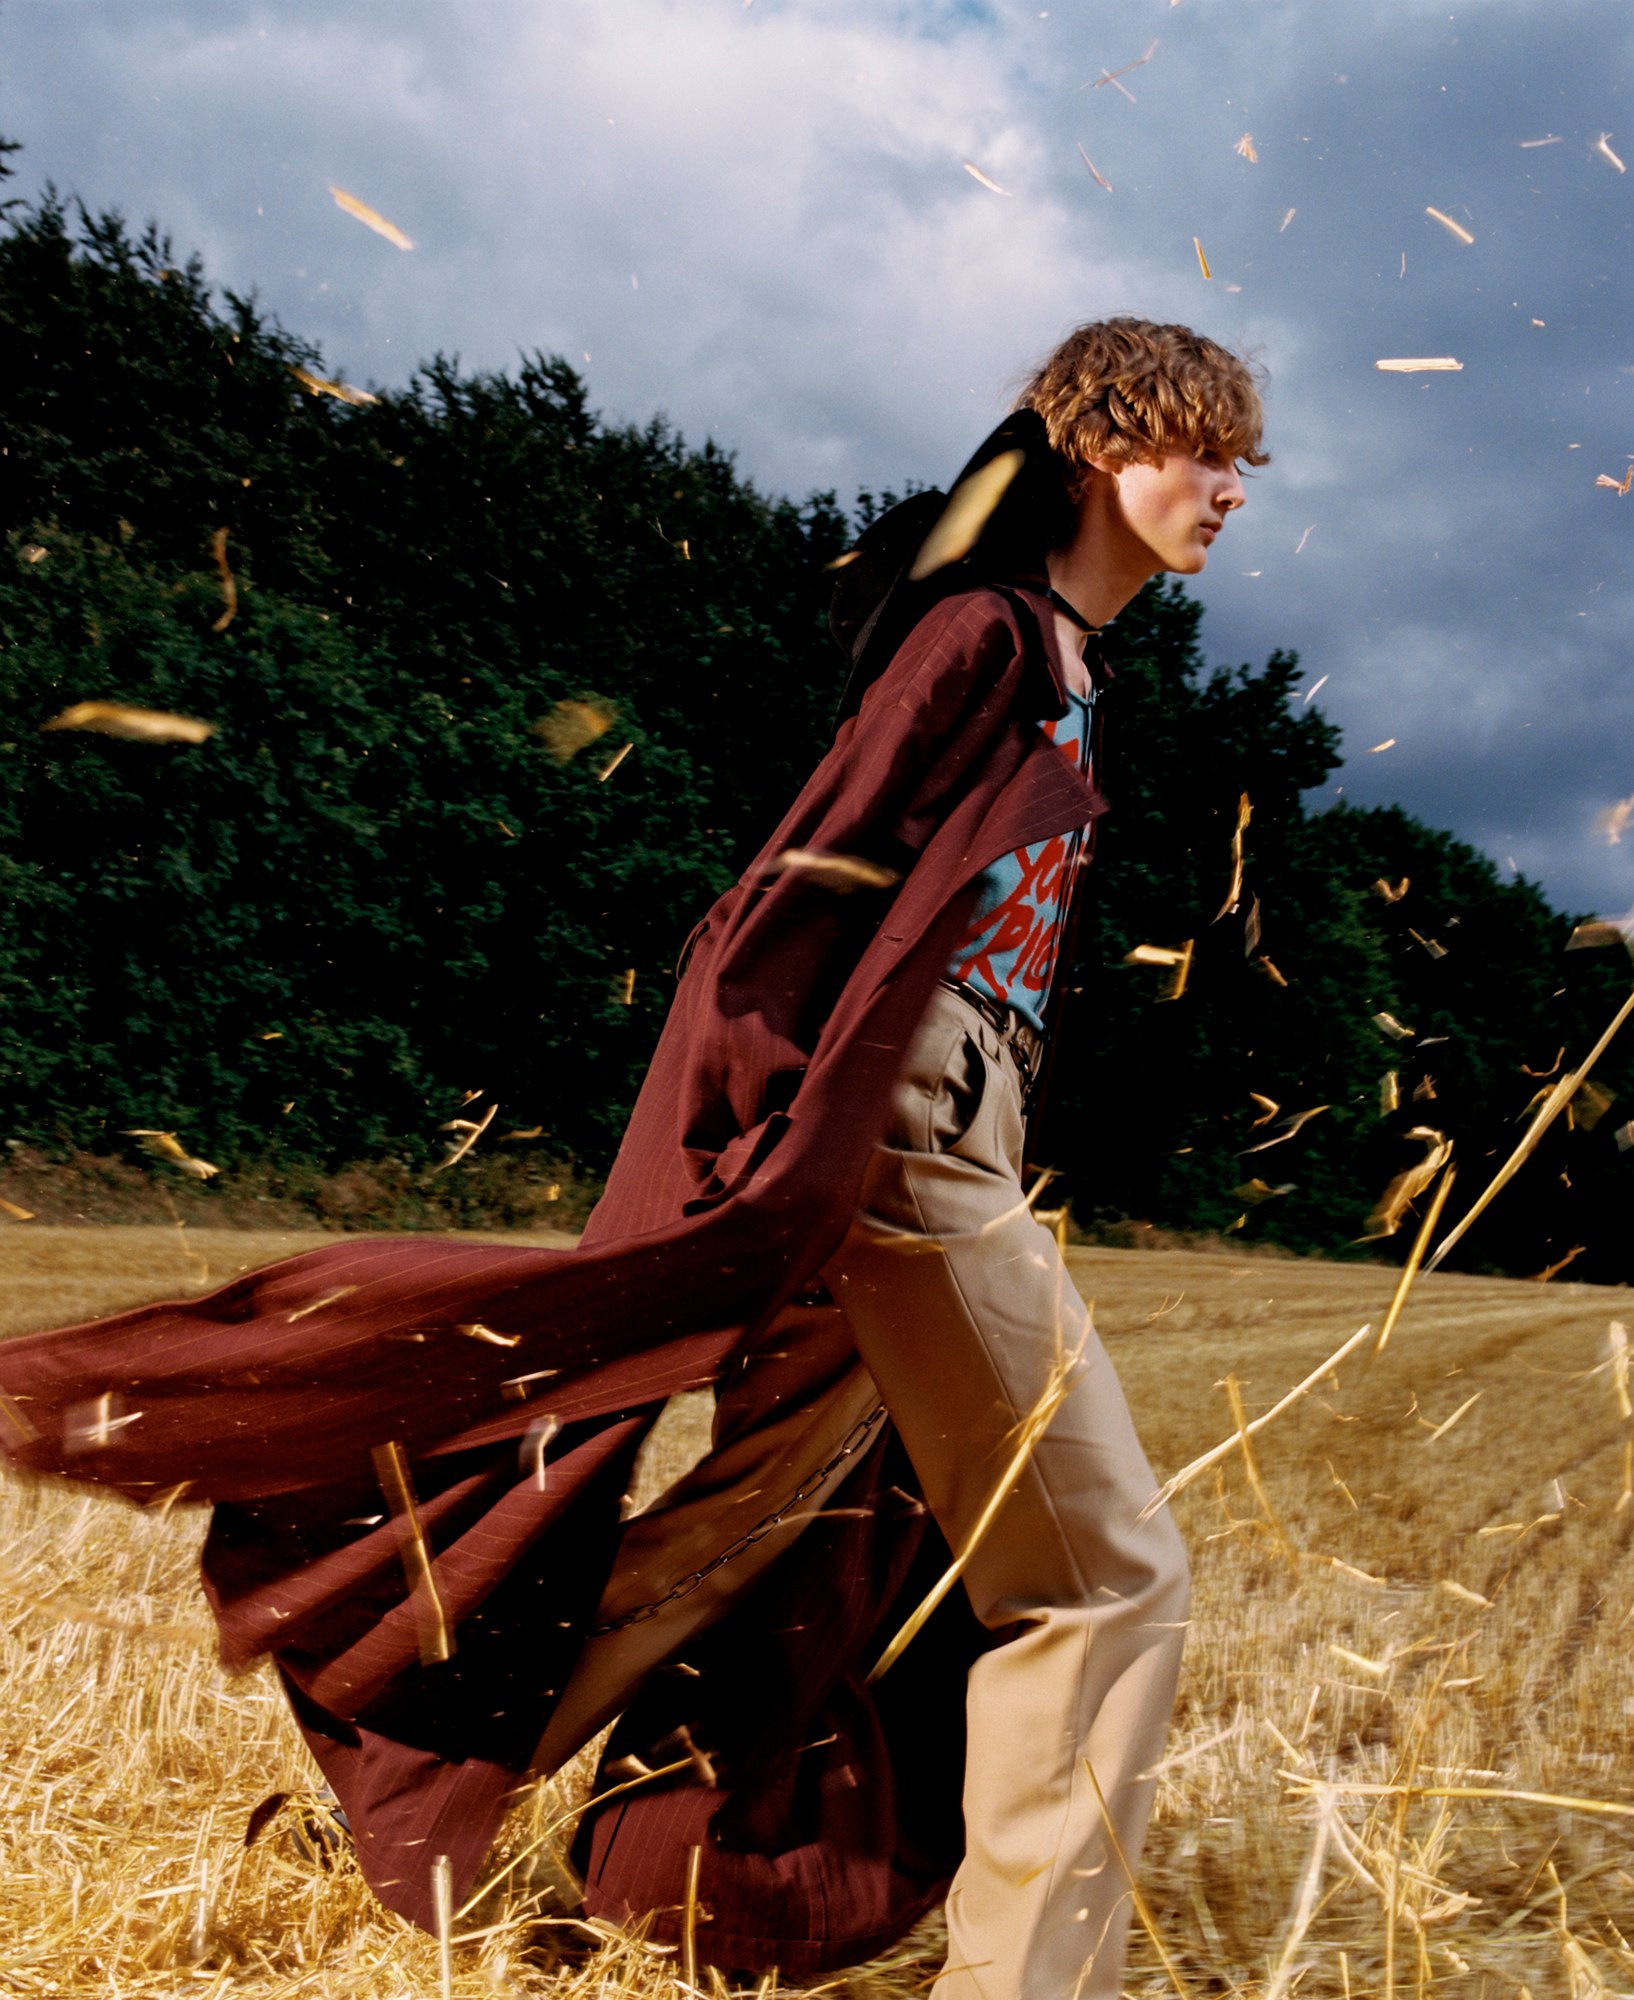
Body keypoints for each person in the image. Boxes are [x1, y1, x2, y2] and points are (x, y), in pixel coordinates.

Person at [0, 317, 1265, 1999]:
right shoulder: (985, 635)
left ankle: (421, 1791)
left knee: (756, 1526)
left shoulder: (1068, 663)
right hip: (897, 1149)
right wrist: (751, 1133)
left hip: (955, 1130)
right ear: (1109, 448)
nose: (1233, 491)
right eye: (1209, 454)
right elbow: (801, 885)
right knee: (1109, 1582)